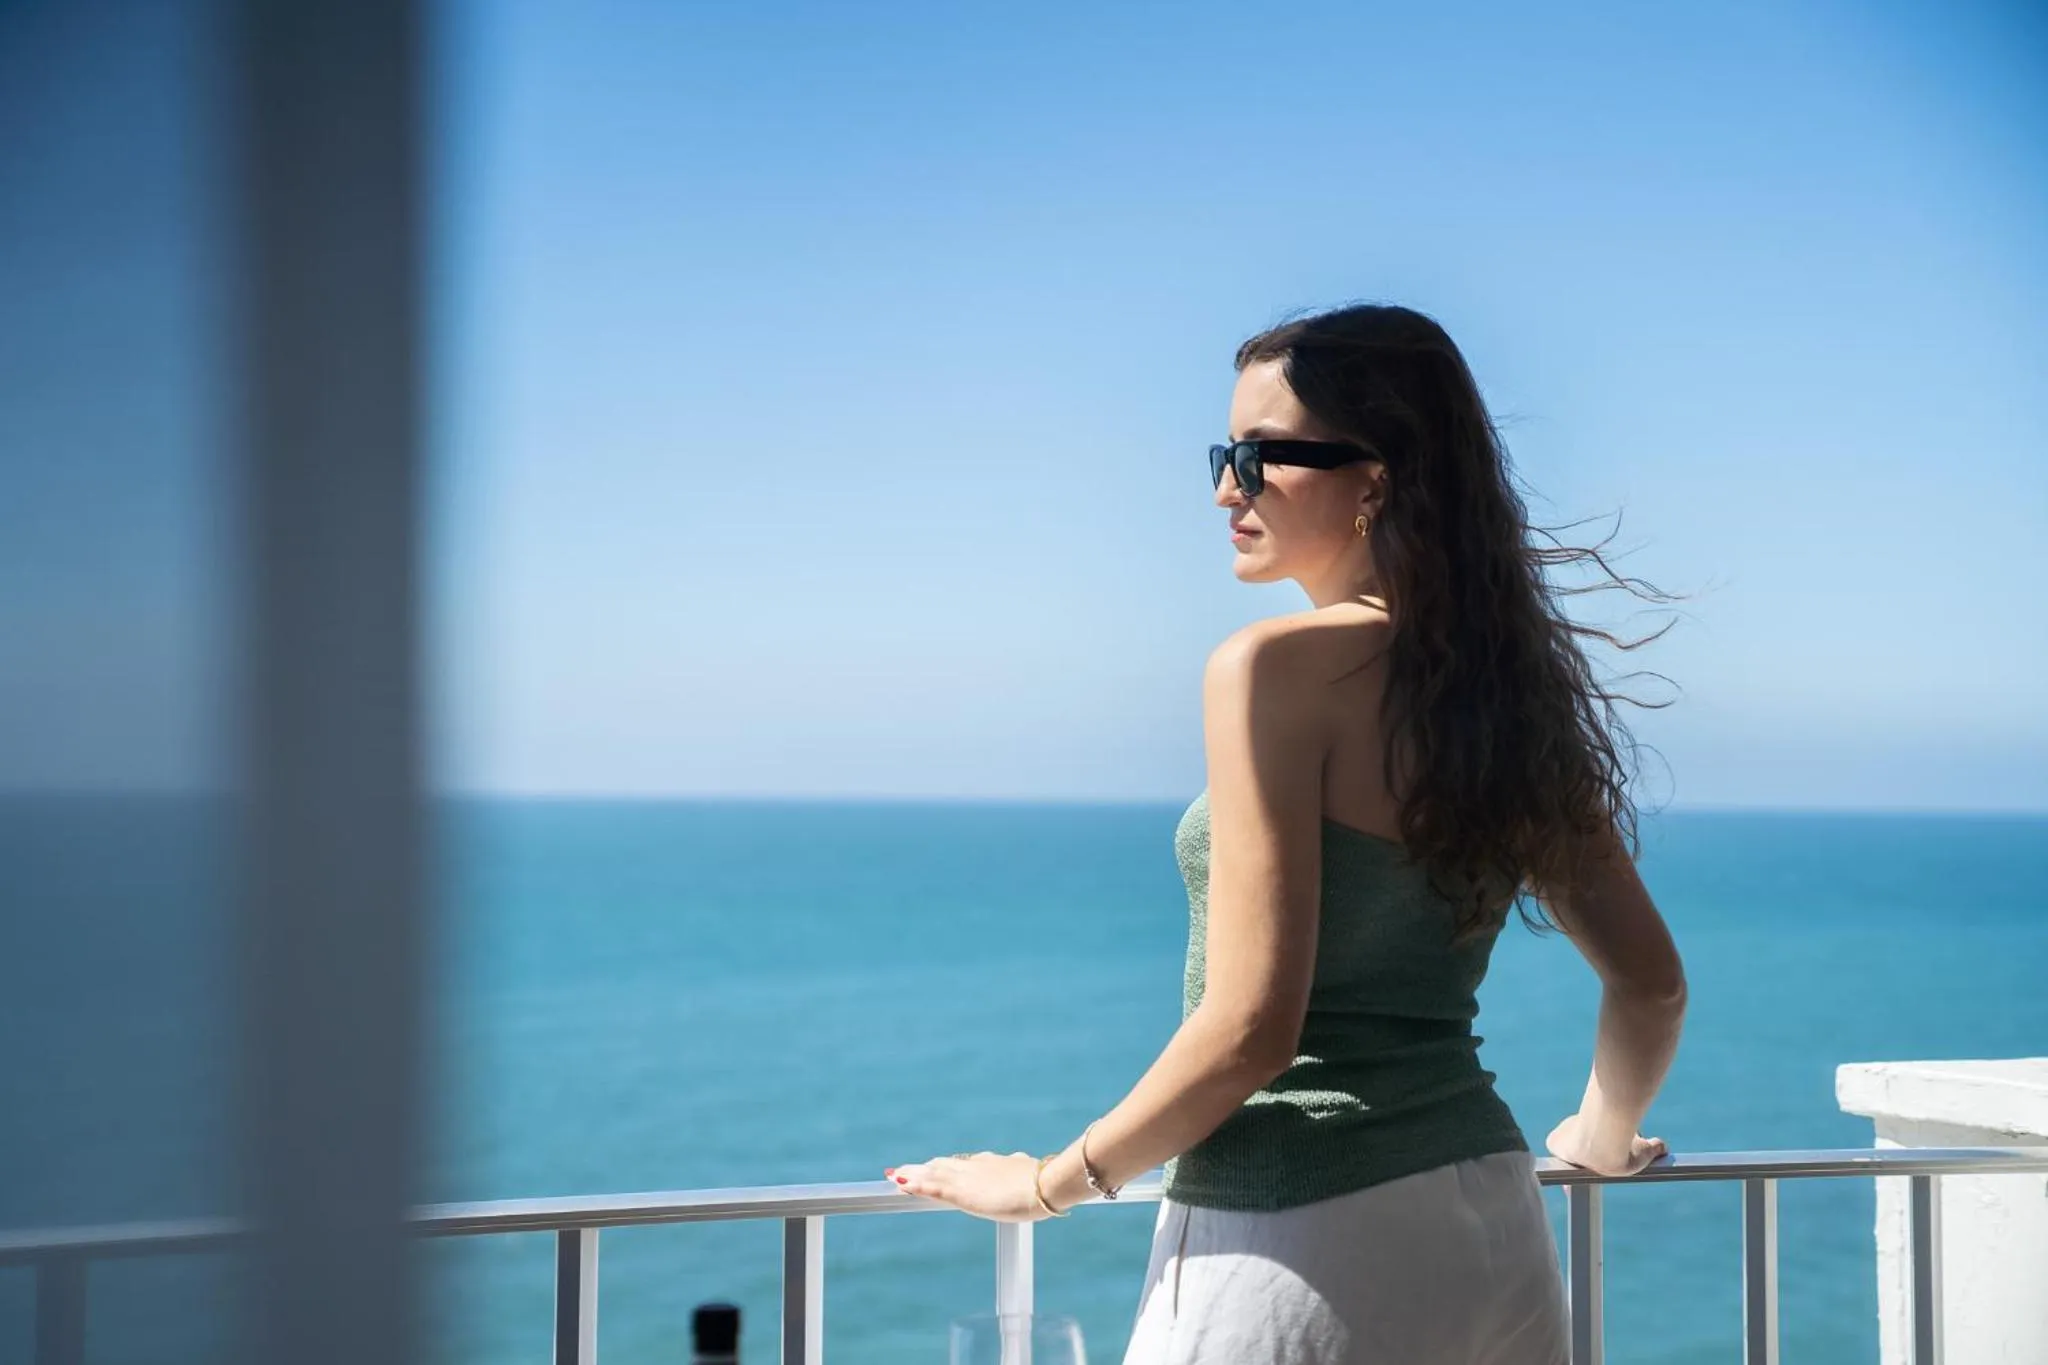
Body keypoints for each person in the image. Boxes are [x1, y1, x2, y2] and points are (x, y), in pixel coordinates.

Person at [888, 303, 1687, 1364]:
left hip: (1302, 1238)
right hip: (1491, 1235)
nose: (1227, 486)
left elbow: (1252, 1030)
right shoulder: (1504, 693)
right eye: (1225, 454)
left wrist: (1042, 1185)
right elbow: (1649, 984)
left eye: (1263, 457)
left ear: (1378, 479)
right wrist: (1597, 1139)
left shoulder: (1270, 669)